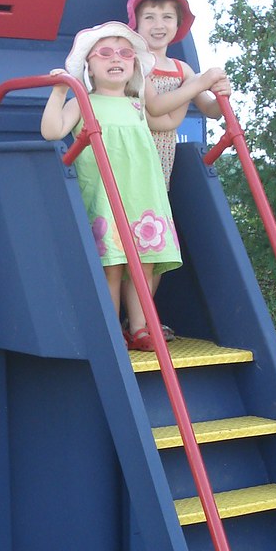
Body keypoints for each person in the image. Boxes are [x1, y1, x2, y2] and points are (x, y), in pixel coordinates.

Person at [40, 21, 184, 351]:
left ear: (134, 63)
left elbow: (169, 120)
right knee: (112, 266)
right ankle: (110, 326)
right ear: (88, 64)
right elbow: (52, 131)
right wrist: (61, 90)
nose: (115, 58)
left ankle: (140, 327)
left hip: (141, 198)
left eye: (124, 53)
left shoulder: (137, 104)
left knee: (143, 266)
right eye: (104, 53)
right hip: (105, 195)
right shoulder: (84, 101)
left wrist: (199, 88)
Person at [127, 0, 231, 190]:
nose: (159, 25)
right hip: (134, 155)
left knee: (156, 211)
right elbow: (155, 108)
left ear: (177, 23)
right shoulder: (134, 63)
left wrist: (223, 94)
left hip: (162, 164)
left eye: (167, 17)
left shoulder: (181, 69)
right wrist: (199, 83)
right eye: (149, 17)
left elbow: (211, 111)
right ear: (136, 23)